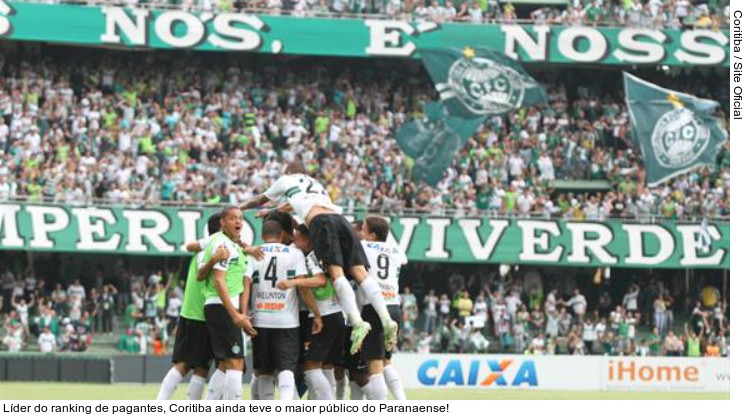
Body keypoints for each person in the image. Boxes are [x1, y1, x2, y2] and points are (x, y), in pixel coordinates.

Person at [240, 162, 398, 354]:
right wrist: (274, 211)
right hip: (340, 220)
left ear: (288, 172)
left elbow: (260, 199)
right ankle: (386, 319)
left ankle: (357, 322)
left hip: (320, 222)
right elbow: (291, 204)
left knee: (336, 273)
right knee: (360, 272)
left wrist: (240, 207)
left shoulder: (286, 179)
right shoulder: (316, 184)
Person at [156, 214, 229, 400]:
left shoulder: (201, 250)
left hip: (192, 312)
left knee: (200, 366)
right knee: (187, 365)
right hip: (201, 314)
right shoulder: (216, 251)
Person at [250, 220, 321, 401]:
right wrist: (317, 314)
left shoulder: (253, 253)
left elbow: (246, 285)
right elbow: (303, 288)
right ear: (281, 235)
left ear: (262, 235)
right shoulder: (295, 253)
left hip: (259, 319)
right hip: (287, 321)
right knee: (286, 368)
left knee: (264, 370)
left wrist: (245, 312)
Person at [277, 224, 346, 400]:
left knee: (310, 367)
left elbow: (321, 281)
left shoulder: (314, 255)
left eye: (297, 238)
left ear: (307, 241)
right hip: (333, 314)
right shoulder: (318, 254)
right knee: (322, 366)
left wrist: (292, 283)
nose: (294, 241)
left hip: (326, 314)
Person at [201, 207, 258, 400]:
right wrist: (235, 314)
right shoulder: (222, 245)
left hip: (219, 306)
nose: (238, 222)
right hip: (223, 306)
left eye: (240, 218)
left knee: (225, 364)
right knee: (236, 363)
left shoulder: (230, 244)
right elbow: (219, 280)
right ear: (222, 222)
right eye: (233, 218)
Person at [356, 216, 407, 400]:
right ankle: (403, 402)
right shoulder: (396, 250)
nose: (360, 233)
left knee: (375, 366)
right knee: (387, 361)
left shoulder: (362, 246)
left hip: (374, 308)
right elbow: (403, 261)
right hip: (394, 307)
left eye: (363, 229)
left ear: (372, 234)